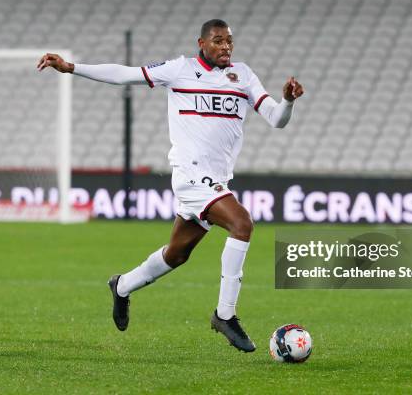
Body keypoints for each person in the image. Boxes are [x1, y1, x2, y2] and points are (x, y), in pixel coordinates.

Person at [37, 19, 304, 353]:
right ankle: (225, 314)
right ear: (202, 43)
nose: (225, 47)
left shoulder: (244, 76)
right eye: (218, 41)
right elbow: (125, 74)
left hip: (215, 179)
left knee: (177, 254)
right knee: (242, 223)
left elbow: (276, 120)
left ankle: (122, 286)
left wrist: (288, 101)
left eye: (229, 42)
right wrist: (72, 68)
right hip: (190, 174)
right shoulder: (180, 70)